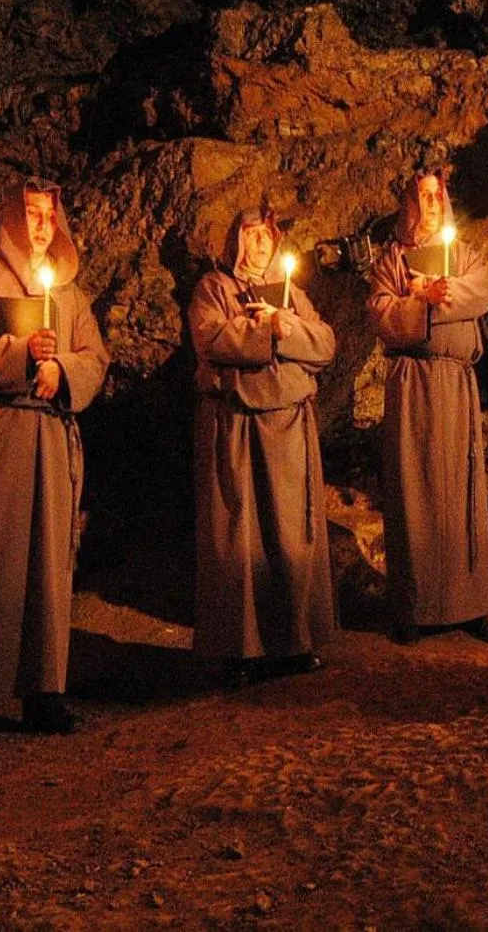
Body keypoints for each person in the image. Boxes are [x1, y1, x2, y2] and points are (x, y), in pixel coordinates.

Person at [0, 178, 110, 758]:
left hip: (51, 433)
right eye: (31, 214)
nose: (41, 225)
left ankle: (44, 692)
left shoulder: (71, 295)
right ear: (12, 218)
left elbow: (94, 356)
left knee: (49, 565)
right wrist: (18, 356)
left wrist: (63, 372)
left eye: (48, 216)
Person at [190, 207, 337, 685]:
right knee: (239, 538)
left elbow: (324, 343)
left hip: (288, 422)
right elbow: (211, 337)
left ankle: (293, 641)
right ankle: (239, 651)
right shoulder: (215, 288)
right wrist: (262, 331)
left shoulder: (292, 294)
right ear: (237, 242)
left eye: (265, 235)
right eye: (250, 235)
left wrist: (286, 326)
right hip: (238, 427)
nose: (259, 243)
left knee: (290, 534)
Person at [367, 172, 488, 646]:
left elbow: (481, 291)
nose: (431, 202)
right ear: (410, 203)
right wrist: (420, 299)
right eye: (423, 196)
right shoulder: (393, 260)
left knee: (462, 493)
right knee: (415, 492)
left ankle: (470, 607)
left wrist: (442, 296)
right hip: (414, 384)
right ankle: (415, 608)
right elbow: (382, 315)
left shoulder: (464, 253)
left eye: (437, 195)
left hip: (457, 383)